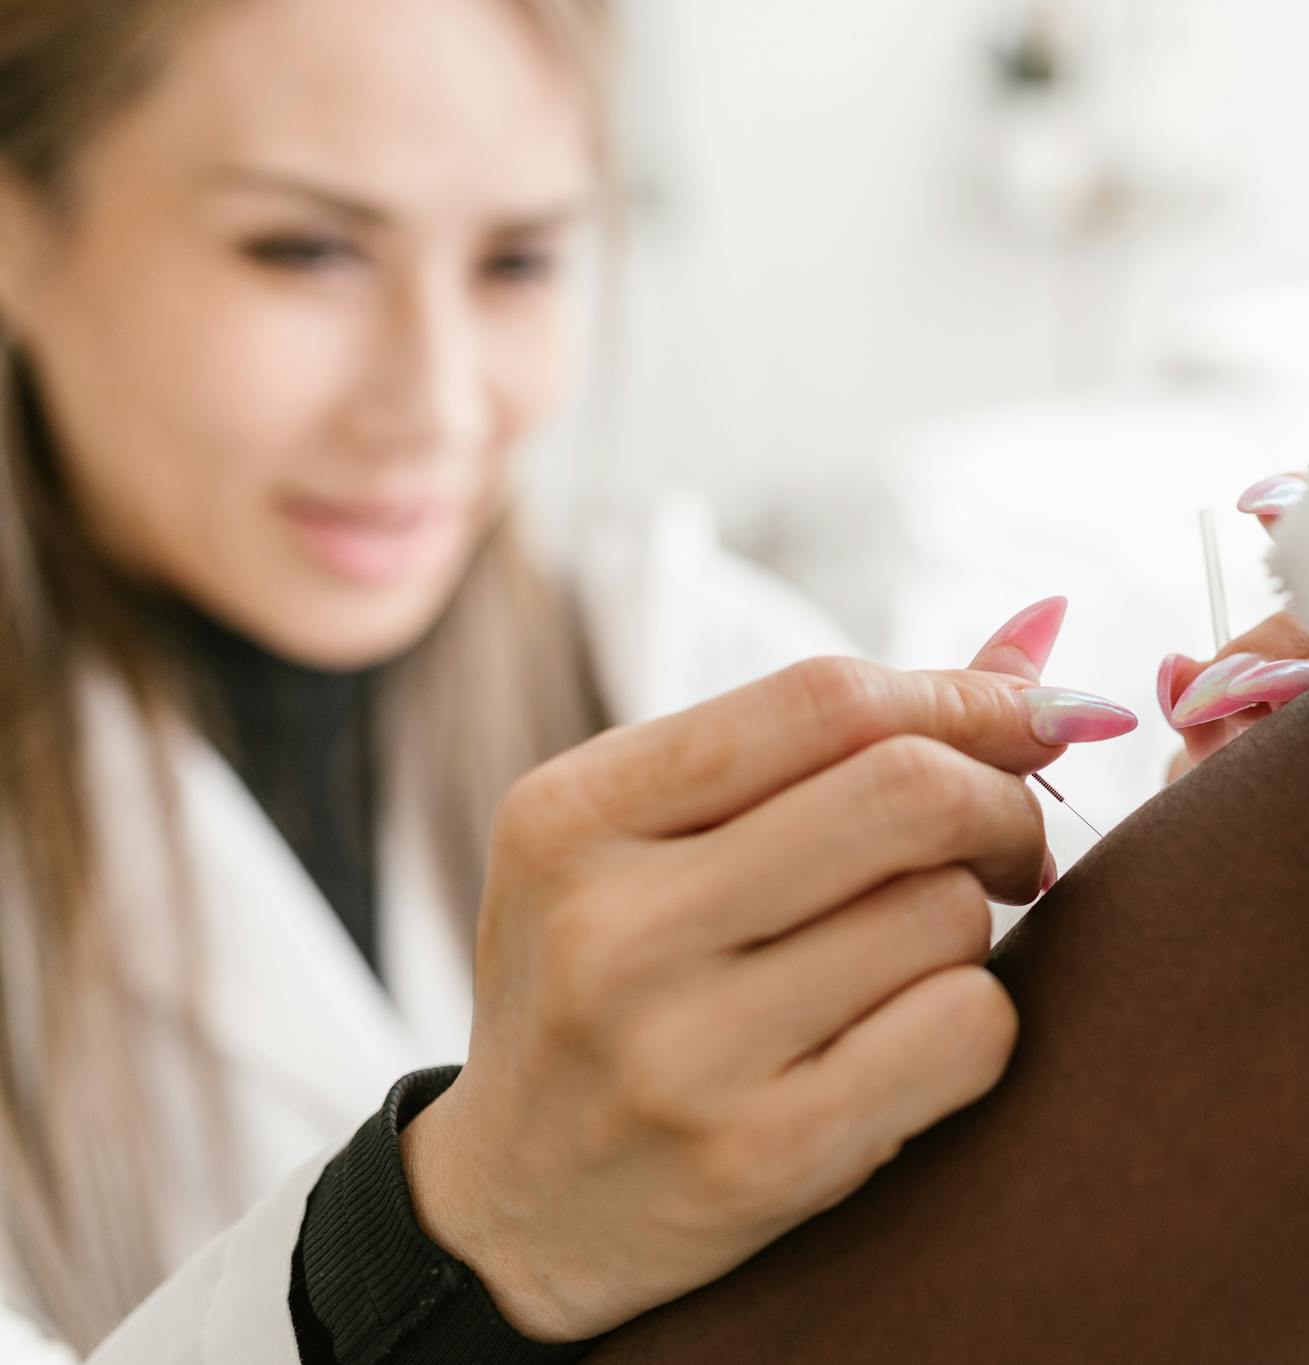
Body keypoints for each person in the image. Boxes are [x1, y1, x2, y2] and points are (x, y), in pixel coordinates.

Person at [0, 1, 1145, 1359]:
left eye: (518, 260)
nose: (434, 401)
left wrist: (1239, 858)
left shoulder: (673, 653)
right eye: (302, 249)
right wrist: (435, 1236)